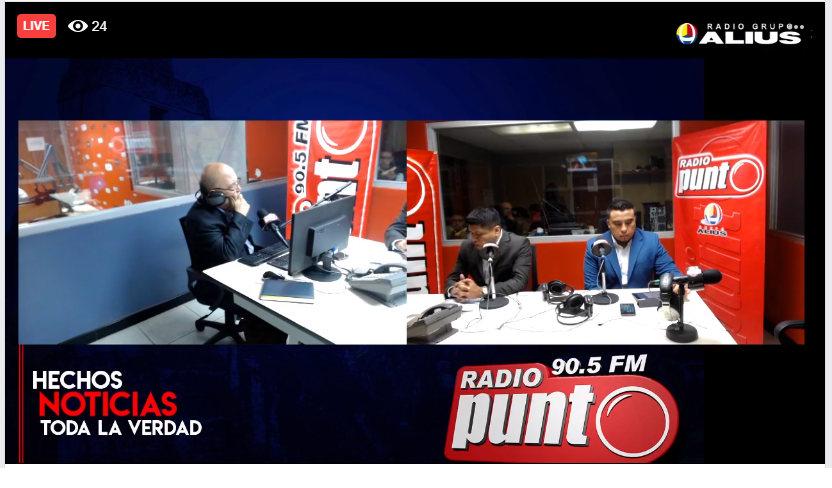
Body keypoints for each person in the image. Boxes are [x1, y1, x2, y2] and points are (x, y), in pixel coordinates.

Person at [183, 162, 288, 344]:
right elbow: (229, 255)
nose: (239, 190)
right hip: (219, 284)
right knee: (271, 307)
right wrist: (240, 215)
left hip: (243, 268)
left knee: (286, 289)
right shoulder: (200, 220)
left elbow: (245, 246)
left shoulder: (225, 206)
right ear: (215, 194)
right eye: (233, 186)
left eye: (238, 182)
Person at [584, 198, 689, 299]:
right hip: (609, 301)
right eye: (617, 224)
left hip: (642, 300)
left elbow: (668, 269)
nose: (624, 229)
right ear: (608, 224)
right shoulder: (596, 245)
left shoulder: (651, 241)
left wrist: (677, 282)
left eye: (629, 222)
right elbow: (592, 286)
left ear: (635, 220)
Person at [445, 207, 532, 301]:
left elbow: (519, 281)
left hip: (508, 299)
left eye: (478, 234)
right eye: (471, 233)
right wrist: (455, 290)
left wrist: (483, 291)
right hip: (477, 303)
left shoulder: (519, 244)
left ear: (496, 231)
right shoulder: (467, 246)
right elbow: (453, 279)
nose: (473, 239)